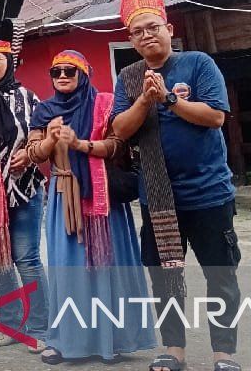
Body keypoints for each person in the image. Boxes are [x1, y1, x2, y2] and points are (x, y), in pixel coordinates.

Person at [109, 0, 241, 371]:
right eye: (138, 32)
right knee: (166, 279)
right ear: (131, 40)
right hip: (158, 198)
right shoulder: (129, 78)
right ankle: (174, 351)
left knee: (220, 277)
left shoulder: (199, 64)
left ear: (169, 29)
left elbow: (215, 116)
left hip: (209, 194)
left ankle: (224, 354)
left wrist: (168, 98)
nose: (146, 35)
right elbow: (120, 129)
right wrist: (146, 100)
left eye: (153, 27)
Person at [27, 50, 155, 364]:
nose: (62, 78)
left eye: (70, 72)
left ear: (84, 74)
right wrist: (50, 140)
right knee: (69, 271)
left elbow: (118, 144)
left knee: (108, 266)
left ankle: (114, 339)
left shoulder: (106, 104)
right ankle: (66, 341)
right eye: (56, 73)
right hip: (64, 196)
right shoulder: (45, 111)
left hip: (103, 199)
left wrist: (81, 145)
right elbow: (33, 154)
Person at [0, 38, 49, 351]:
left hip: (25, 189)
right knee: (0, 261)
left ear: (9, 63)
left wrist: (30, 155)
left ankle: (40, 327)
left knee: (27, 259)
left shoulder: (29, 98)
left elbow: (42, 140)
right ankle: (13, 324)